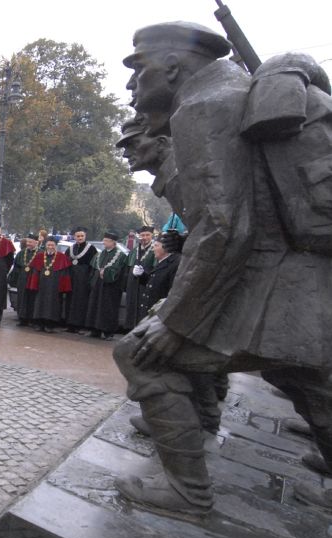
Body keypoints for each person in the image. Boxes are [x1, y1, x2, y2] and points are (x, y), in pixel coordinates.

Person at [114, 22, 332, 513]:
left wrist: (176, 320)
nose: (131, 86)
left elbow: (224, 227)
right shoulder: (235, 89)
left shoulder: (203, 105)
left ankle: (186, 490)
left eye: (137, 71)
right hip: (301, 272)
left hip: (267, 275)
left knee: (142, 353)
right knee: (310, 378)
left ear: (171, 67)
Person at [85, 232, 127, 341]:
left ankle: (108, 332)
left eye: (106, 241)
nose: (104, 242)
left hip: (110, 287)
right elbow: (93, 269)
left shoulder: (120, 256)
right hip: (98, 285)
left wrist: (107, 274)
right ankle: (95, 330)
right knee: (94, 306)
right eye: (104, 240)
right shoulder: (100, 254)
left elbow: (119, 272)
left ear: (113, 242)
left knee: (108, 309)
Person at [29, 237, 73, 332]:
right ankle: (39, 323)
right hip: (41, 286)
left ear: (56, 246)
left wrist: (63, 287)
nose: (50, 247)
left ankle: (50, 325)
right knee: (39, 303)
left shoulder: (62, 257)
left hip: (55, 287)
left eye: (52, 245)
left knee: (52, 305)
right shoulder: (40, 256)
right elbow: (35, 272)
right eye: (48, 245)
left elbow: (65, 274)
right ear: (45, 246)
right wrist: (34, 284)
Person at [122, 226, 156, 330]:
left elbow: (156, 268)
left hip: (145, 285)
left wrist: (144, 274)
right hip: (132, 285)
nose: (144, 237)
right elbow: (127, 268)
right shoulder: (134, 250)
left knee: (143, 310)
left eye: (147, 235)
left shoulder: (155, 249)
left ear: (152, 236)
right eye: (142, 235)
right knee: (131, 307)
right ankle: (130, 329)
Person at [8, 236, 37, 327]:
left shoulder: (40, 253)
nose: (28, 244)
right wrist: (12, 280)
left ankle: (32, 320)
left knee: (32, 300)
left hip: (33, 280)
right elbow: (16, 267)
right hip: (22, 280)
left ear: (36, 243)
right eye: (27, 242)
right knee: (22, 300)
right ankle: (22, 319)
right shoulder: (21, 253)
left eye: (31, 242)